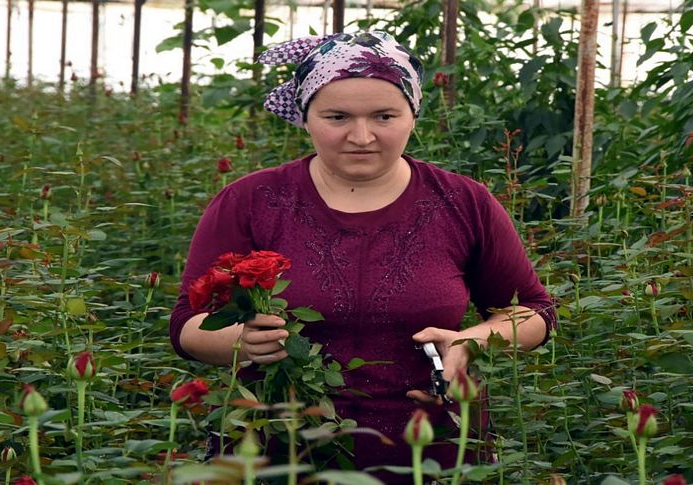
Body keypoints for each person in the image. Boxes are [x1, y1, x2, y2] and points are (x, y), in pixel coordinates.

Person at [169, 31, 556, 479]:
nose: (361, 136)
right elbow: (186, 323)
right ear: (305, 116)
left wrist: (473, 342)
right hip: (278, 450)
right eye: (336, 116)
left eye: (384, 115)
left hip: (430, 451)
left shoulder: (463, 202)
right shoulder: (252, 200)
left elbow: (535, 311)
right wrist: (238, 342)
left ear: (413, 114)